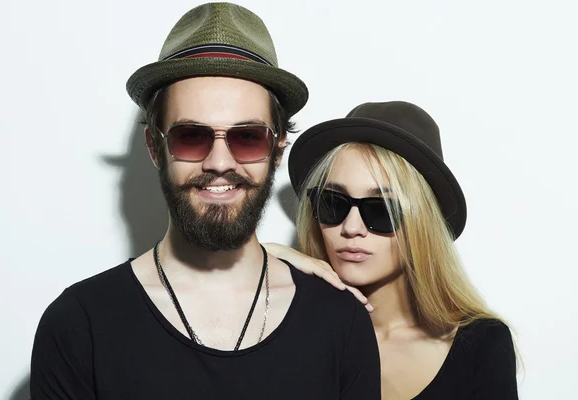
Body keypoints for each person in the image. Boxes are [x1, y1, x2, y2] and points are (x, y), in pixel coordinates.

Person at [29, 3, 381, 399]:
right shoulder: (80, 324)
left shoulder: (338, 319)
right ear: (154, 147)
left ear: (277, 149)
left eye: (248, 137)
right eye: (191, 136)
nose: (219, 162)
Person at [268, 101, 519, 399]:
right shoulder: (289, 329)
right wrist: (255, 261)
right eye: (333, 203)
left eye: (380, 210)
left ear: (422, 222)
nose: (351, 228)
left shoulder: (482, 343)